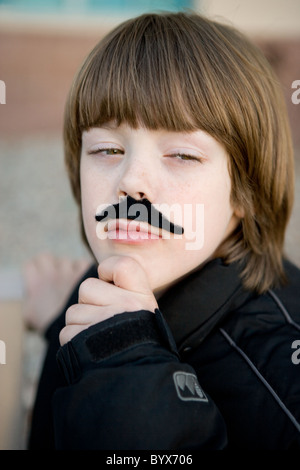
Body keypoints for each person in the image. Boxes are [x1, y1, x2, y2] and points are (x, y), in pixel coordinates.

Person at [26, 11, 300, 450]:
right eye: (107, 148)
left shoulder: (281, 383)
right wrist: (58, 321)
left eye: (182, 155)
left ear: (245, 192)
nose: (131, 180)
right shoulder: (108, 282)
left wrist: (128, 380)